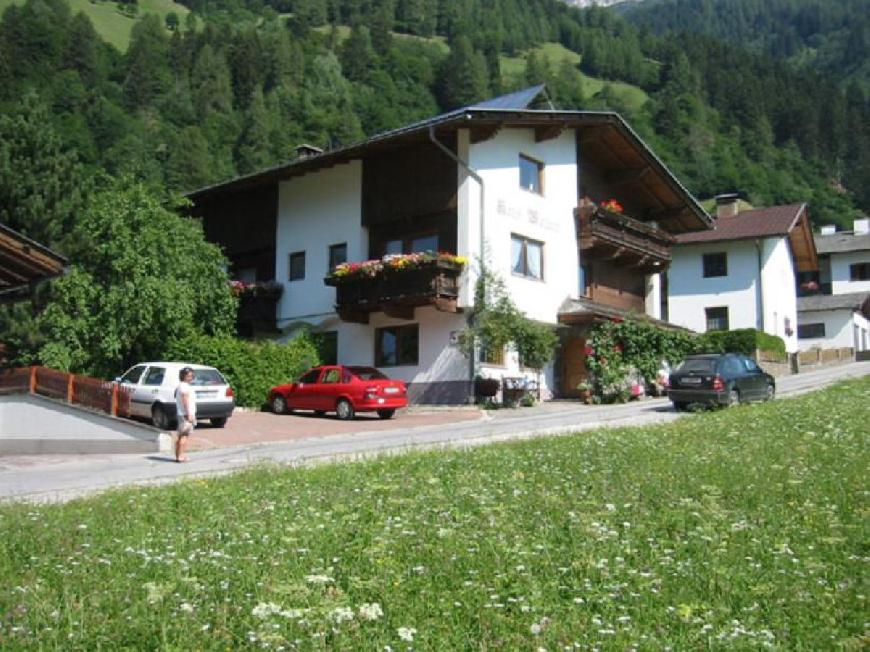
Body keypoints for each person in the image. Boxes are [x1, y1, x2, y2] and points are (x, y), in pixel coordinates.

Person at [174, 367, 196, 462]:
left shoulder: (181, 386)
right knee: (184, 435)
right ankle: (181, 456)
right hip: (185, 414)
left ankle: (179, 455)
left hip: (182, 414)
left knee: (181, 435)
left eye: (191, 375)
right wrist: (189, 414)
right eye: (188, 376)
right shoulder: (184, 387)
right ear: (183, 376)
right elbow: (185, 400)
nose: (190, 377)